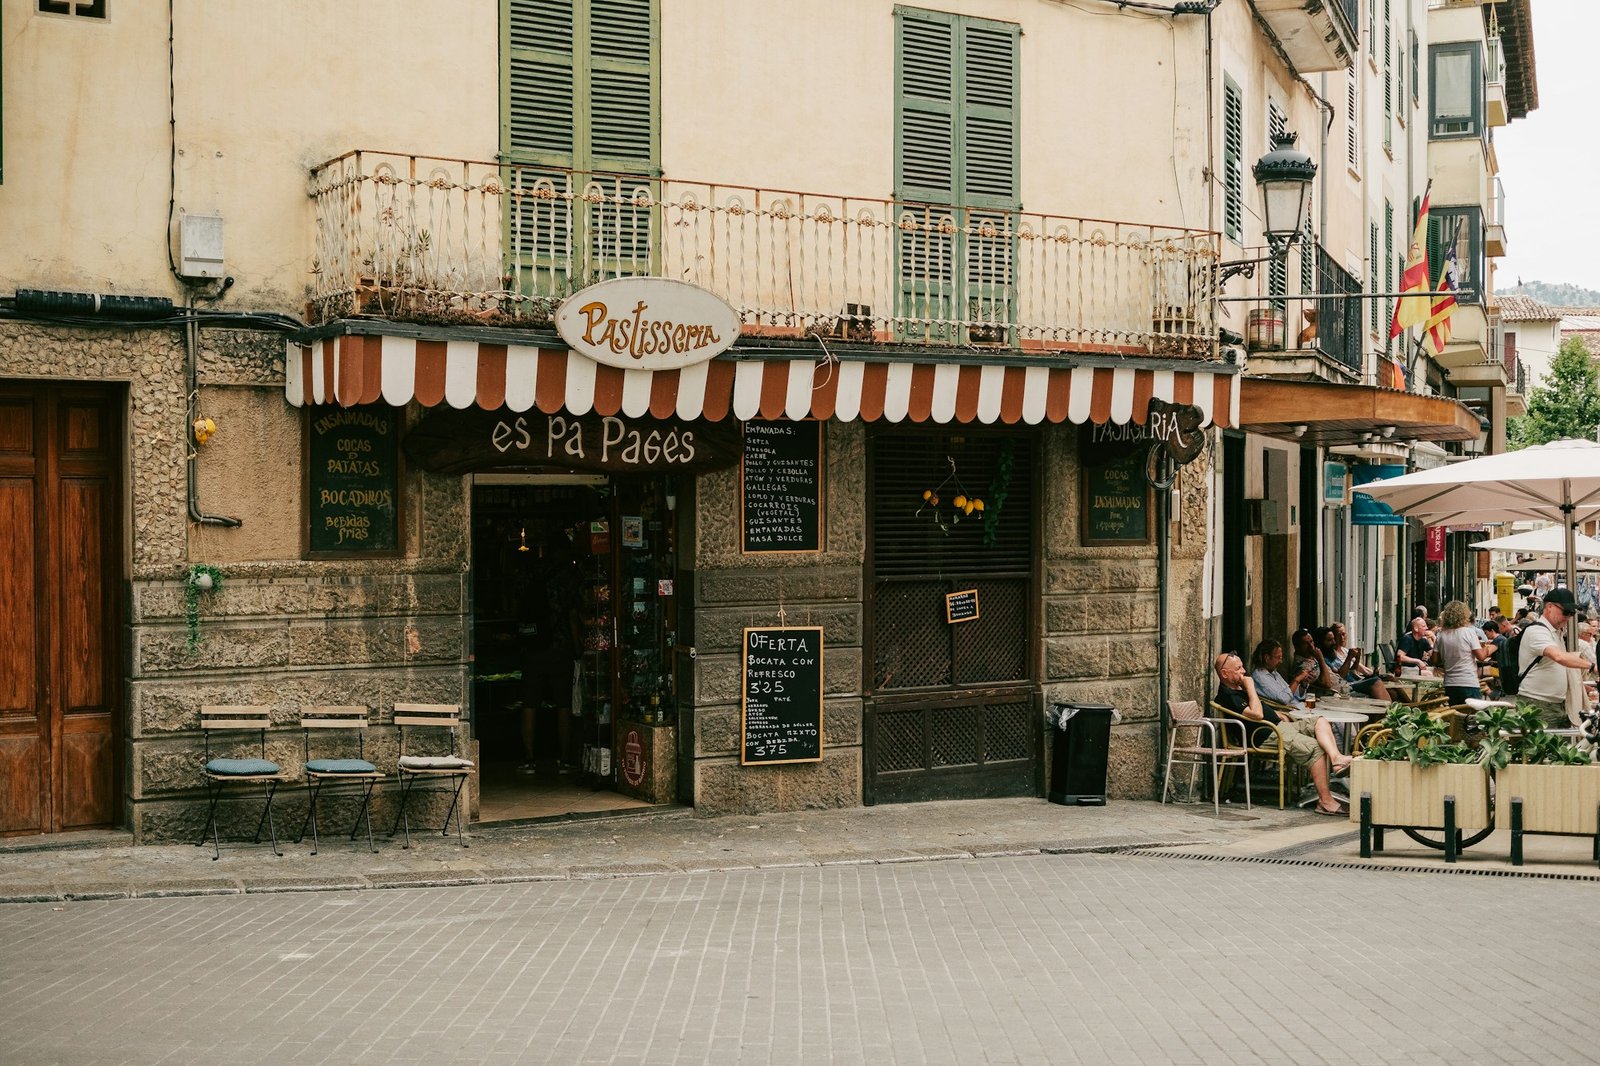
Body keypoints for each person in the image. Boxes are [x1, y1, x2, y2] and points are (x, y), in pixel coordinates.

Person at [1213, 651, 1351, 816]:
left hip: (1279, 726)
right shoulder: (1228, 695)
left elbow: (1261, 708)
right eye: (1238, 668)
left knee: (1319, 720)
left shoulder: (1238, 687)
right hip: (1266, 735)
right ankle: (1325, 801)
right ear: (1225, 673)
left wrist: (1275, 712)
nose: (1243, 671)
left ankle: (1336, 758)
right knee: (1315, 748)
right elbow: (1257, 714)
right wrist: (1250, 686)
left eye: (1242, 667)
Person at [1514, 587, 1595, 728]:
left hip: (1557, 704)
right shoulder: (1537, 631)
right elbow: (1558, 656)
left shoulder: (1555, 632)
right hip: (1538, 703)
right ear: (1549, 607)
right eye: (1566, 612)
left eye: (1571, 614)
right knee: (1540, 748)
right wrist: (1592, 666)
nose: (1569, 617)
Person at [1434, 600, 1495, 705]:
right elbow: (1481, 657)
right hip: (1468, 682)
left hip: (1450, 684)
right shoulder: (1469, 633)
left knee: (1456, 716)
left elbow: (1435, 660)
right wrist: (1489, 648)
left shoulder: (1441, 635)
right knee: (1472, 716)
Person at [1321, 624, 1392, 701]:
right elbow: (1340, 676)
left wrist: (1357, 658)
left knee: (1392, 689)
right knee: (1377, 682)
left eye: (1343, 634)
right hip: (1346, 685)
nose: (1335, 642)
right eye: (1330, 640)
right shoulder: (1325, 658)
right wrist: (1349, 658)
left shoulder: (1343, 651)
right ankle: (1391, 711)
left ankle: (1403, 707)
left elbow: (1353, 671)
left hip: (1354, 681)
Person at [1249, 639, 1308, 711]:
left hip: (1297, 707)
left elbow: (1293, 695)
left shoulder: (1274, 673)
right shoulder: (1259, 677)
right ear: (1267, 658)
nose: (1281, 661)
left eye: (1281, 657)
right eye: (1278, 658)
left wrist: (1303, 684)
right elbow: (1284, 698)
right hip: (1288, 712)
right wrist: (1297, 679)